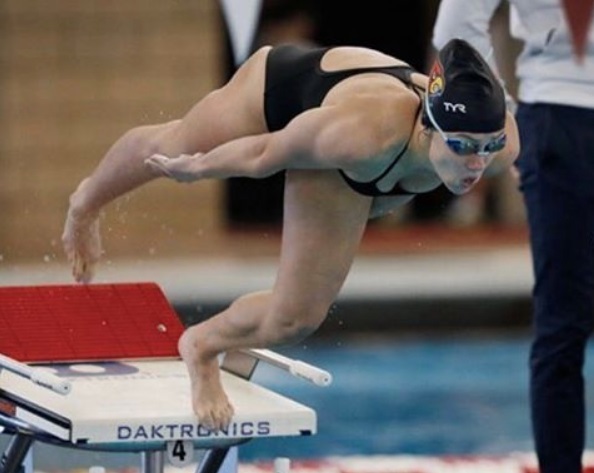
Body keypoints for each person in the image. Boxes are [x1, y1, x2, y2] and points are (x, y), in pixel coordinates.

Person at [62, 39, 519, 431]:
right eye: (460, 146)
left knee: (293, 321)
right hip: (284, 91)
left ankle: (207, 338)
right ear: (428, 126)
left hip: (374, 165)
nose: (476, 163)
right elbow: (264, 152)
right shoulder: (359, 133)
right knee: (176, 145)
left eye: (487, 146)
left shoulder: (499, 145)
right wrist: (197, 169)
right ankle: (87, 203)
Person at [432, 3, 594, 472]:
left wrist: (505, 112)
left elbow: (454, 30)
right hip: (557, 113)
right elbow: (456, 30)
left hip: (557, 117)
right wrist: (501, 114)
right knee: (562, 324)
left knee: (562, 323)